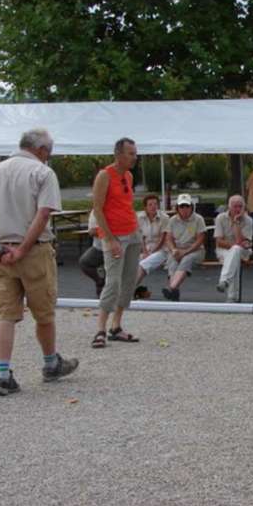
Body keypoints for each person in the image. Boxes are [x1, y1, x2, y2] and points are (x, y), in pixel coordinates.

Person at [0, 128, 78, 396]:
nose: (48, 157)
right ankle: (50, 362)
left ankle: (2, 372)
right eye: (48, 153)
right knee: (44, 313)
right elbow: (42, 215)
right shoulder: (42, 173)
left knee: (6, 315)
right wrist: (23, 249)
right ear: (41, 150)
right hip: (33, 250)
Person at [91, 137, 142, 348]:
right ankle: (100, 329)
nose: (134, 157)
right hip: (114, 236)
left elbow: (125, 204)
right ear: (118, 154)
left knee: (130, 280)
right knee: (113, 281)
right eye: (131, 153)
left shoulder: (128, 176)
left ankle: (116, 326)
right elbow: (97, 209)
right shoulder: (105, 175)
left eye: (135, 153)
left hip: (132, 233)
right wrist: (110, 239)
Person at [161, 194, 206, 301]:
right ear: (177, 208)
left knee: (187, 259)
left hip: (195, 250)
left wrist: (185, 252)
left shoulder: (198, 219)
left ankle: (171, 288)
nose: (184, 209)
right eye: (182, 206)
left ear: (192, 207)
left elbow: (200, 240)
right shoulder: (172, 220)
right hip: (178, 249)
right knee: (172, 260)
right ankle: (174, 294)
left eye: (187, 206)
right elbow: (168, 238)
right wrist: (173, 250)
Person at [213, 194, 253, 303]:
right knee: (234, 256)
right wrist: (236, 245)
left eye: (240, 206)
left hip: (243, 251)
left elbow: (243, 242)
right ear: (229, 207)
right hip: (224, 250)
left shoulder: (248, 220)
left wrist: (236, 222)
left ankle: (225, 281)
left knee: (235, 251)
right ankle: (232, 297)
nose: (238, 209)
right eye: (235, 206)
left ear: (244, 207)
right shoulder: (220, 218)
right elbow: (219, 242)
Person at [134, 194, 170, 291]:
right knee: (132, 264)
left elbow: (163, 238)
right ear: (145, 207)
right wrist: (145, 251)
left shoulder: (164, 218)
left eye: (155, 204)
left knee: (143, 264)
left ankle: (129, 290)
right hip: (145, 247)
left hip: (162, 249)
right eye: (150, 204)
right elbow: (139, 236)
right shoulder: (139, 217)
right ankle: (131, 289)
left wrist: (152, 252)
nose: (153, 206)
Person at [78, 210, 105, 297]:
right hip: (99, 247)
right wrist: (108, 231)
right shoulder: (95, 212)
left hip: (118, 247)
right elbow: (92, 232)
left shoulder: (118, 209)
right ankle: (99, 281)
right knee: (84, 262)